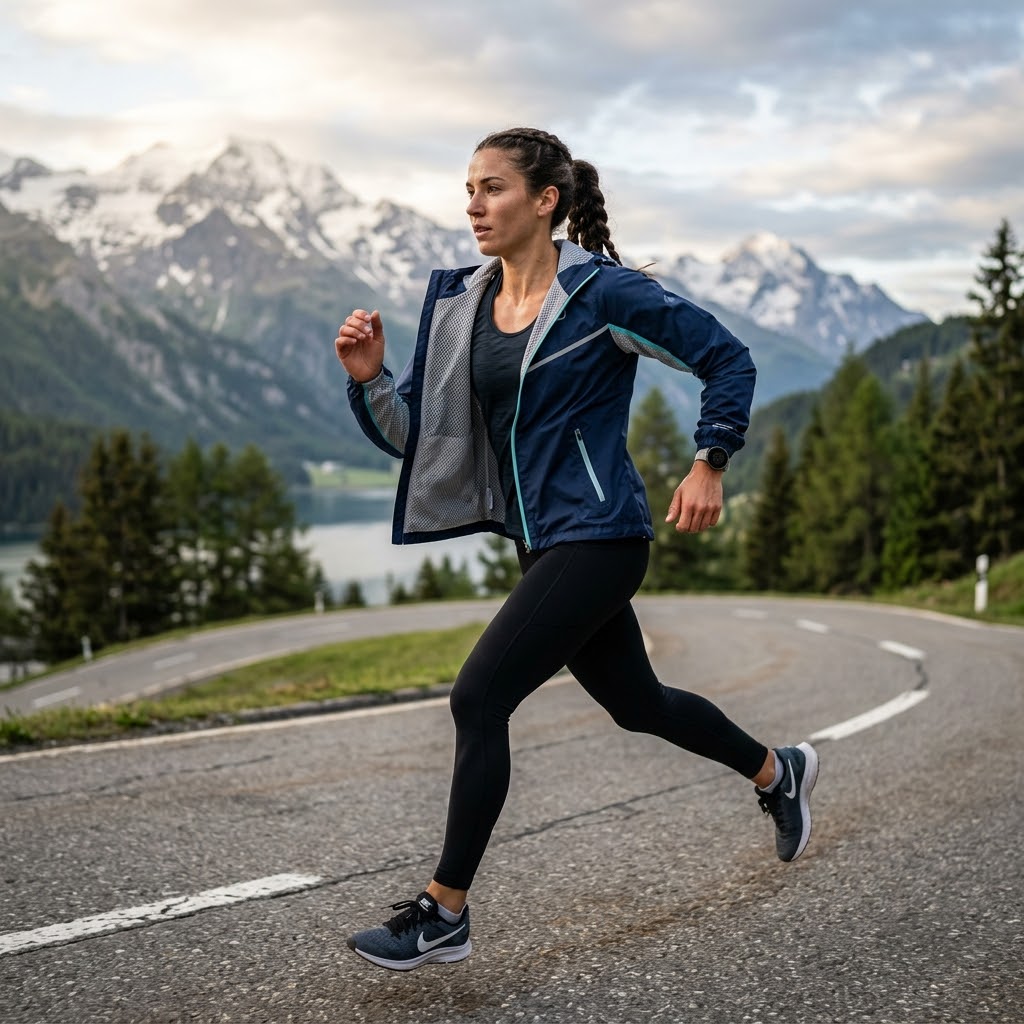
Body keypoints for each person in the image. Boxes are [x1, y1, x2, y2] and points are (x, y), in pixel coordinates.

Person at [334, 127, 818, 973]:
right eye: (470, 189)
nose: (474, 205)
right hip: (540, 543)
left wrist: (711, 460)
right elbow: (420, 436)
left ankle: (444, 912)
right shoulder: (465, 306)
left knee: (479, 698)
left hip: (599, 537)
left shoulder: (605, 294)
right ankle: (779, 772)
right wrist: (371, 378)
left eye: (493, 188)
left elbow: (726, 360)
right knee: (639, 704)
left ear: (545, 200)